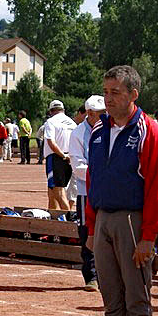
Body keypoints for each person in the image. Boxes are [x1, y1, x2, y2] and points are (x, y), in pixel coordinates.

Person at [81, 66, 158, 316]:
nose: (108, 99)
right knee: (111, 296)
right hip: (104, 218)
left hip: (133, 221)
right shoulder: (98, 131)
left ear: (133, 95)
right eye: (106, 92)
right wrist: (92, 228)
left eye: (115, 92)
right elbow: (92, 179)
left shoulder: (149, 132)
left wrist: (149, 237)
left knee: (136, 297)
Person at [69, 94, 105, 291]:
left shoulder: (110, 129)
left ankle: (107, 275)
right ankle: (91, 276)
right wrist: (103, 174)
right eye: (101, 113)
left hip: (109, 191)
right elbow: (78, 166)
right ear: (90, 114)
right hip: (86, 192)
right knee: (86, 232)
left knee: (107, 230)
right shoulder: (78, 133)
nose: (105, 116)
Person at [42, 100, 77, 211]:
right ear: (63, 110)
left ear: (51, 111)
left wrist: (63, 155)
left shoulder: (51, 122)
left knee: (58, 191)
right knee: (52, 191)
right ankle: (54, 217)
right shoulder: (72, 123)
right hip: (70, 157)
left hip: (56, 157)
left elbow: (51, 142)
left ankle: (68, 216)